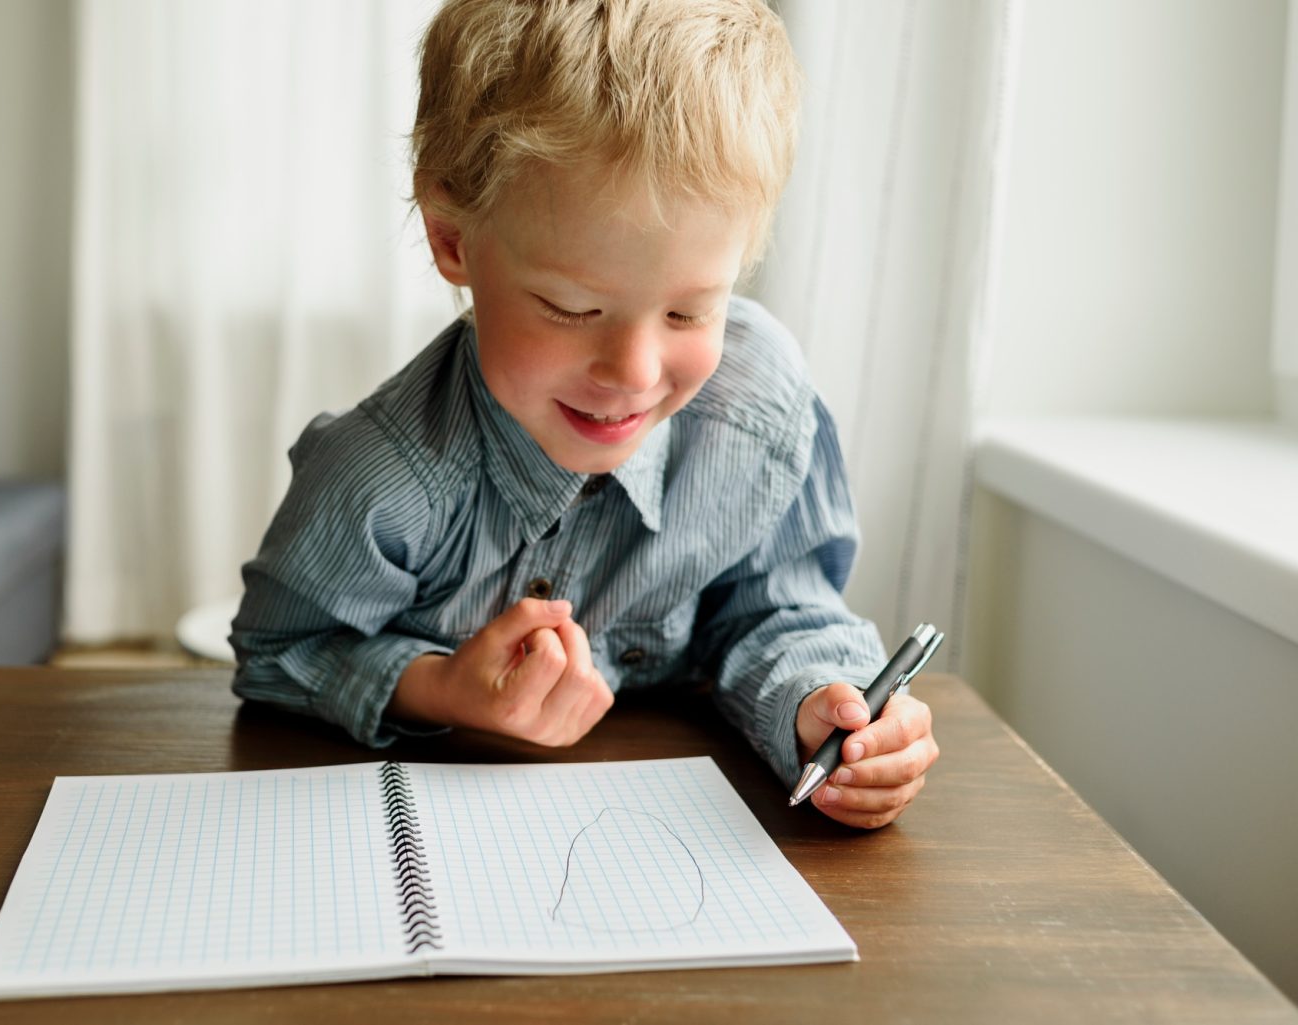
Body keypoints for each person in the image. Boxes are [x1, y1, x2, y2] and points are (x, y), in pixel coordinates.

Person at [231, 0, 938, 829]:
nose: (634, 373)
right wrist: (442, 685)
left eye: (689, 313)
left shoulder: (754, 409)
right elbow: (280, 652)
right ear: (453, 238)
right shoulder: (382, 479)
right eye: (570, 307)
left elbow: (772, 607)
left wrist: (823, 706)